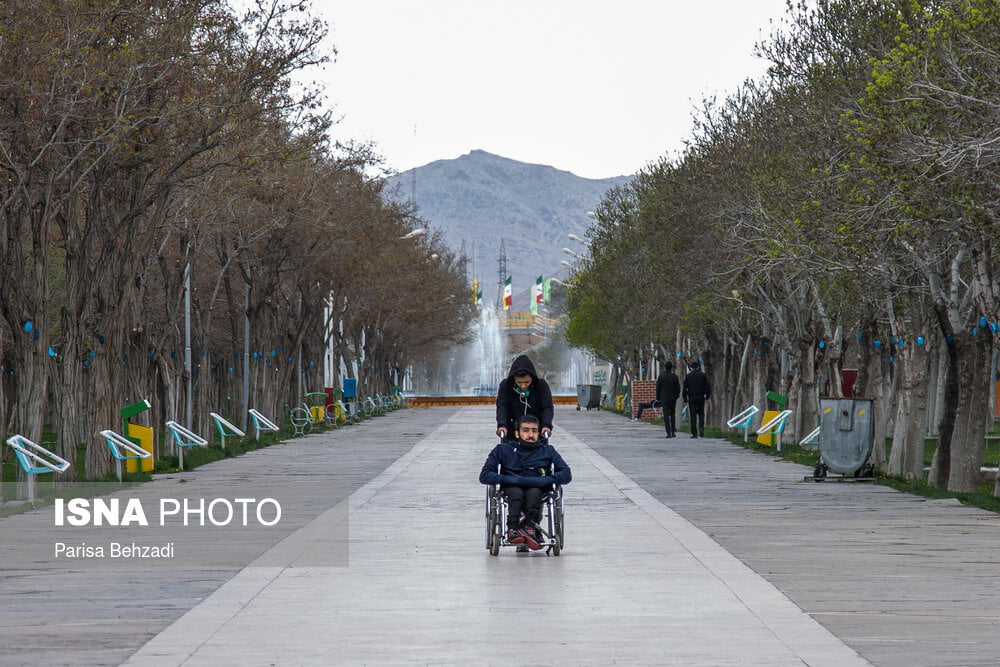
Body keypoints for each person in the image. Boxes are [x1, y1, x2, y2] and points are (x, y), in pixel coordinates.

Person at [479, 415, 572, 551]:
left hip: (538, 486)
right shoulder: (503, 450)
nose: (531, 435)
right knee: (516, 492)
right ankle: (513, 530)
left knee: (533, 492)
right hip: (512, 485)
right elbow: (485, 475)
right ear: (517, 433)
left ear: (539, 433)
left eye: (534, 431)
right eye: (526, 430)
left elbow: (566, 474)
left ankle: (530, 528)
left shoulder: (547, 450)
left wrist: (545, 480)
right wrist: (511, 480)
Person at [495, 355, 554, 440]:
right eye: (519, 382)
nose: (523, 386)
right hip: (513, 430)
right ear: (514, 378)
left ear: (532, 378)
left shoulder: (541, 386)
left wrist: (547, 425)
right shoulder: (506, 386)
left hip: (536, 431)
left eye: (527, 382)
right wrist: (502, 425)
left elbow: (547, 407)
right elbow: (502, 407)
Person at [682, 360, 711, 438]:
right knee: (701, 414)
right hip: (701, 397)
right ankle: (701, 429)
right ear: (698, 367)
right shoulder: (703, 375)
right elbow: (707, 387)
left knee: (693, 415)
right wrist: (707, 397)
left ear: (691, 368)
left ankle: (694, 433)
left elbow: (685, 388)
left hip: (692, 397)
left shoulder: (688, 376)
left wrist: (685, 399)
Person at [656, 361, 681, 438]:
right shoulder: (674, 377)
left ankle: (668, 432)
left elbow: (658, 388)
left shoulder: (661, 376)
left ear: (664, 367)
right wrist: (676, 396)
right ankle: (673, 431)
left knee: (666, 415)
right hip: (672, 399)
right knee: (672, 414)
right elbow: (678, 388)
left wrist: (658, 398)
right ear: (671, 368)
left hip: (664, 398)